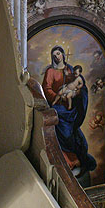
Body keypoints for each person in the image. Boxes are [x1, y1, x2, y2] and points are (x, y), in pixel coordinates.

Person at [40, 46, 96, 175]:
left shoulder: (70, 69)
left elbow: (79, 84)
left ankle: (75, 160)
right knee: (62, 134)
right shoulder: (50, 71)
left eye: (58, 54)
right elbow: (47, 88)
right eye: (54, 55)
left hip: (69, 109)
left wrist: (76, 93)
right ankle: (68, 161)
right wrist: (57, 97)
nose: (56, 56)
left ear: (63, 55)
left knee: (69, 135)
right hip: (58, 107)